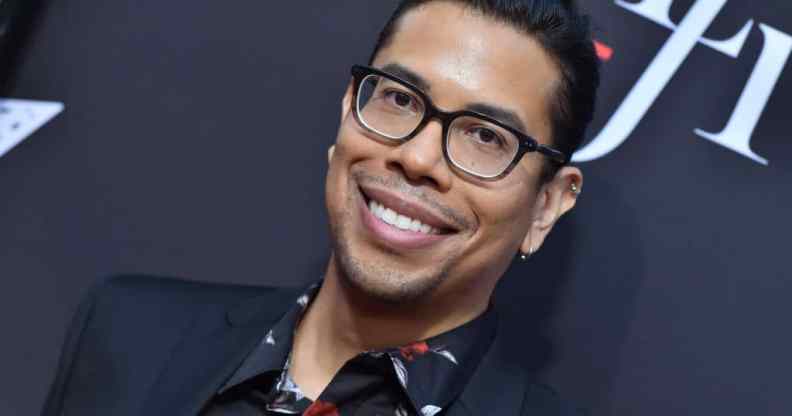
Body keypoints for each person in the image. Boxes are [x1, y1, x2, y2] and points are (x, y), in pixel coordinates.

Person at [42, 0, 600, 415]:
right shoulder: (127, 330)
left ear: (546, 205)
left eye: (485, 136)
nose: (418, 156)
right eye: (399, 100)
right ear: (347, 110)